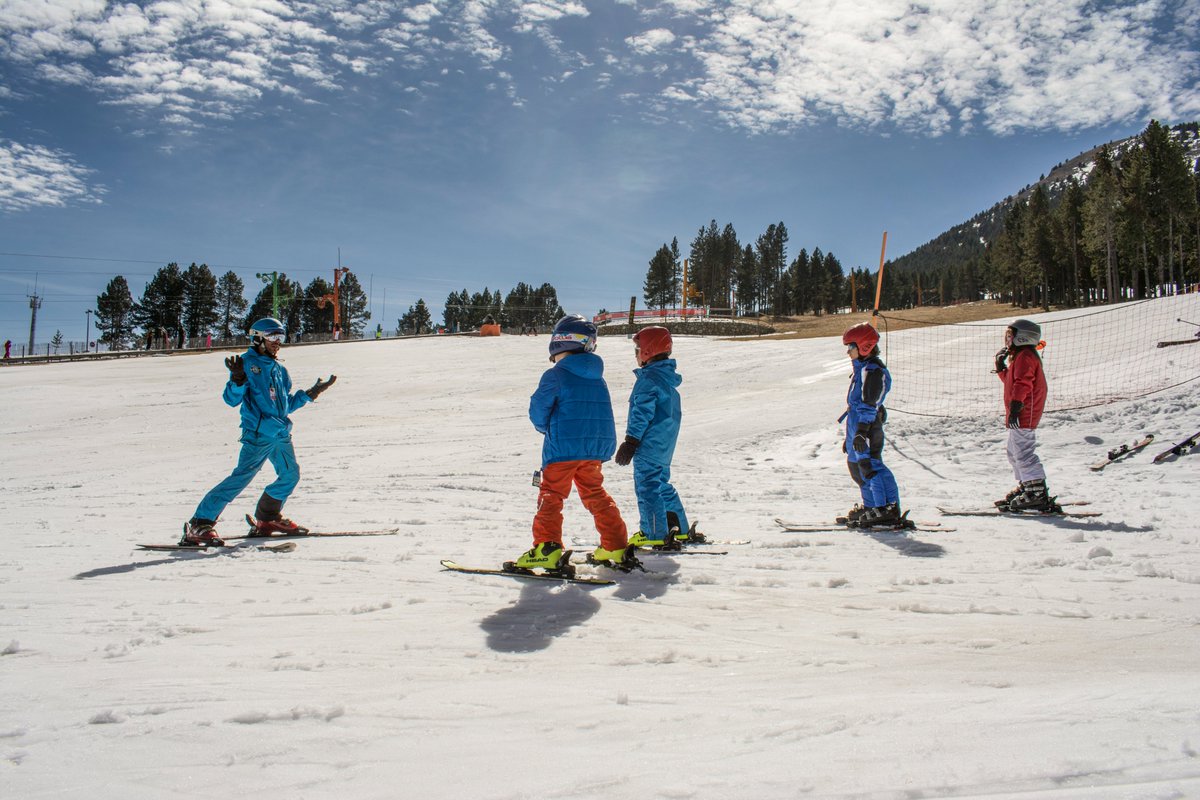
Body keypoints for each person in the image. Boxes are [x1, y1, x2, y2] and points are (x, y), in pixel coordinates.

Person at [181, 317, 337, 546]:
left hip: (280, 433)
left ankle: (268, 518)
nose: (278, 341)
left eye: (281, 336)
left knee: (290, 475)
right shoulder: (246, 364)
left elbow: (285, 405)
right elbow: (230, 400)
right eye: (273, 336)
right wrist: (237, 380)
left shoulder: (280, 369)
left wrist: (310, 394)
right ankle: (200, 523)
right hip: (259, 433)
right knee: (241, 477)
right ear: (257, 338)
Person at [511, 315, 636, 574]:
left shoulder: (555, 375)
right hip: (592, 452)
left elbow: (538, 410)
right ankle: (615, 545)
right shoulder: (597, 378)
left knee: (551, 494)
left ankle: (547, 548)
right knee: (595, 494)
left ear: (559, 343)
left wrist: (544, 428)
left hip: (563, 451)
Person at [614, 326, 704, 548]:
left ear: (648, 351)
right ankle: (679, 529)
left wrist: (631, 441)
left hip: (648, 444)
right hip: (664, 446)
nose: (635, 354)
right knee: (661, 484)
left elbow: (642, 413)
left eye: (637, 350)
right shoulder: (667, 380)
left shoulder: (648, 380)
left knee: (647, 487)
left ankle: (654, 533)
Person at [841, 323, 904, 528]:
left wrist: (862, 431)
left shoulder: (874, 371)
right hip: (856, 424)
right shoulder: (861, 369)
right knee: (855, 467)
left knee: (870, 466)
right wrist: (850, 436)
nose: (848, 351)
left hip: (866, 426)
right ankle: (871, 506)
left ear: (864, 346)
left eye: (851, 346)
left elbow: (870, 404)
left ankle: (887, 507)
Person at [993, 319, 1056, 512]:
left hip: (1024, 412)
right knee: (1013, 452)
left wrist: (1016, 406)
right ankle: (1027, 485)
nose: (1007, 340)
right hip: (1019, 411)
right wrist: (1000, 367)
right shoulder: (1020, 357)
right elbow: (1011, 381)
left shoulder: (1026, 356)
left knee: (1023, 453)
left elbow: (1023, 383)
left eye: (1010, 336)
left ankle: (1036, 492)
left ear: (1022, 337)